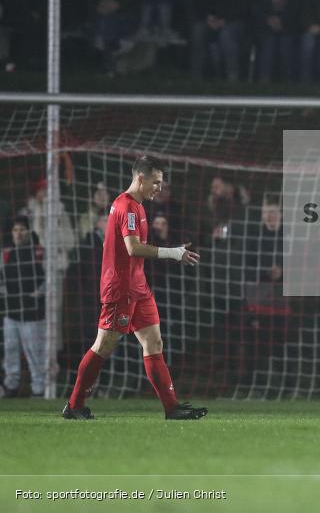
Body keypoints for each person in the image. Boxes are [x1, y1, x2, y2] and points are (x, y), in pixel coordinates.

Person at [62, 156, 206, 420]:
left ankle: (172, 408)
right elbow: (133, 248)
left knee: (154, 342)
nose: (159, 188)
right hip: (120, 289)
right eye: (156, 182)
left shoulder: (138, 206)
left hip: (138, 287)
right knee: (103, 345)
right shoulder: (126, 206)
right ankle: (74, 405)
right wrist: (173, 253)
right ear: (141, 178)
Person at [1, 216, 47, 398]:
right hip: (11, 312)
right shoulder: (6, 254)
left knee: (34, 352)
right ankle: (10, 386)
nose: (18, 233)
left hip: (32, 313)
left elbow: (48, 278)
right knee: (10, 350)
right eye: (15, 230)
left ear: (28, 232)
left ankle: (39, 388)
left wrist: (38, 293)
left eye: (22, 229)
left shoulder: (38, 253)